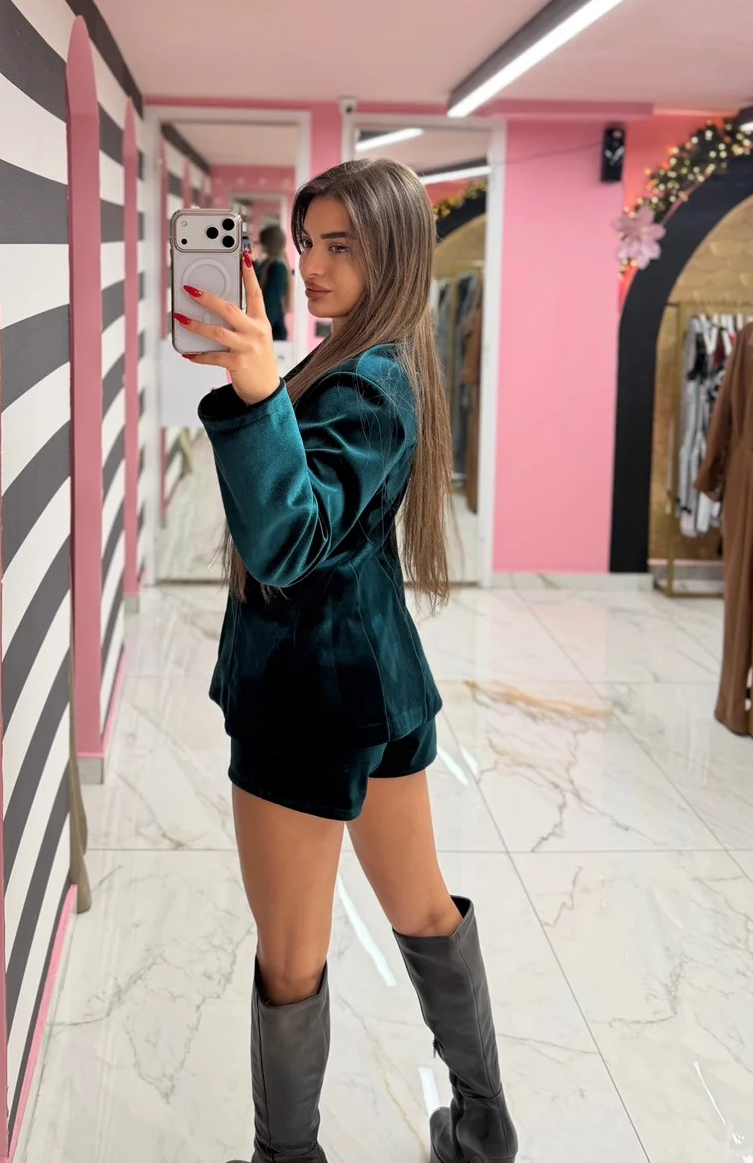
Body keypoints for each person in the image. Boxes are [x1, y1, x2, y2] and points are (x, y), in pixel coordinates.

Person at [177, 157, 517, 1163]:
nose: (313, 266)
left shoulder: (368, 381)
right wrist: (266, 385)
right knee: (423, 908)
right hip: (379, 683)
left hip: (306, 698)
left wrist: (254, 394)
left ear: (394, 254)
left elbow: (289, 542)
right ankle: (484, 1127)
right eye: (306, 243)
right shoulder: (373, 363)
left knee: (292, 958)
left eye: (341, 246)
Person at [256, 221, 292, 341]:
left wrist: (261, 329)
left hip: (273, 332)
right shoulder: (269, 263)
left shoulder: (277, 266)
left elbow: (272, 303)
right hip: (269, 329)